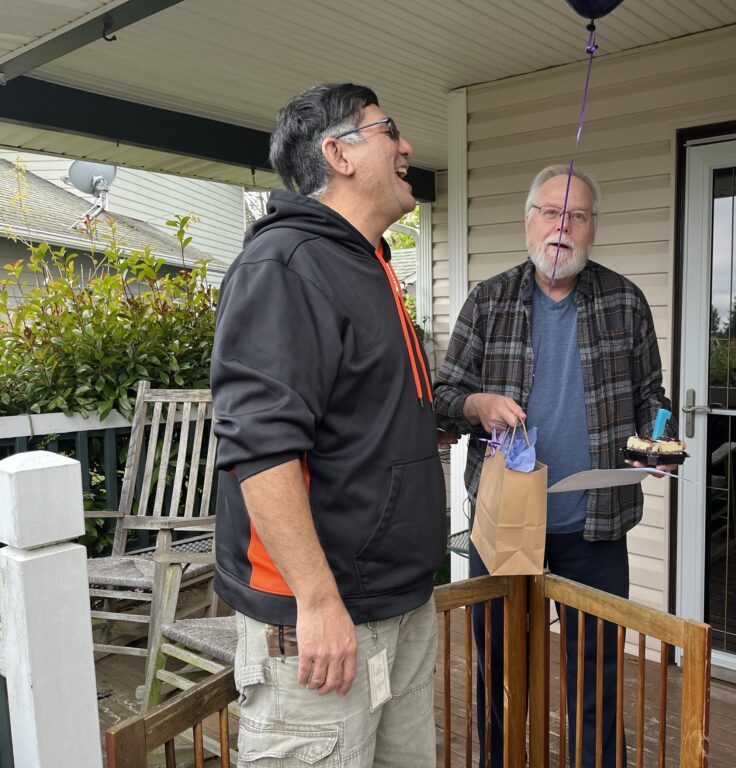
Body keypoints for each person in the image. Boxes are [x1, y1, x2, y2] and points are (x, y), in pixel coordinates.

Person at [211, 83, 448, 767]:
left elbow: (361, 416)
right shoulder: (286, 266)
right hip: (325, 622)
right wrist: (317, 603)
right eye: (389, 130)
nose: (407, 147)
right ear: (338, 153)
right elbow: (261, 449)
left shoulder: (367, 264)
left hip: (397, 604)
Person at [433, 164, 677, 768]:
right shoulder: (488, 302)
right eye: (550, 212)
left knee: (596, 677)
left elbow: (654, 396)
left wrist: (658, 440)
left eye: (577, 216)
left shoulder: (625, 300)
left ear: (593, 229)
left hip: (594, 526)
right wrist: (478, 404)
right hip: (506, 527)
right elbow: (441, 396)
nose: (561, 227)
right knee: (502, 673)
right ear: (529, 221)